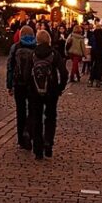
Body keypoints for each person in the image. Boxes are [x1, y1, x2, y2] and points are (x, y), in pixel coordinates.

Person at [22, 29, 69, 160]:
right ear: (49, 40)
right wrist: (60, 87)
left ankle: (38, 150)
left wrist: (29, 87)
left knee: (37, 119)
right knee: (50, 117)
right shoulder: (54, 54)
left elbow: (26, 74)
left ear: (37, 40)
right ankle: (48, 142)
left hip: (35, 92)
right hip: (51, 91)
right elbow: (64, 73)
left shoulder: (33, 54)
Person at [5, 26, 37, 150]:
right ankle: (29, 132)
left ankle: (20, 139)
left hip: (19, 83)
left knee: (20, 110)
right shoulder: (36, 46)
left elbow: (10, 67)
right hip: (32, 84)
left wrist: (9, 84)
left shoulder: (16, 47)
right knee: (33, 109)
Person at [88, 22, 102, 87]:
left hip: (94, 52)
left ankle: (91, 80)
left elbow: (90, 43)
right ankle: (98, 81)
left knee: (93, 66)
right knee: (99, 66)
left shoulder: (93, 34)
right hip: (101, 53)